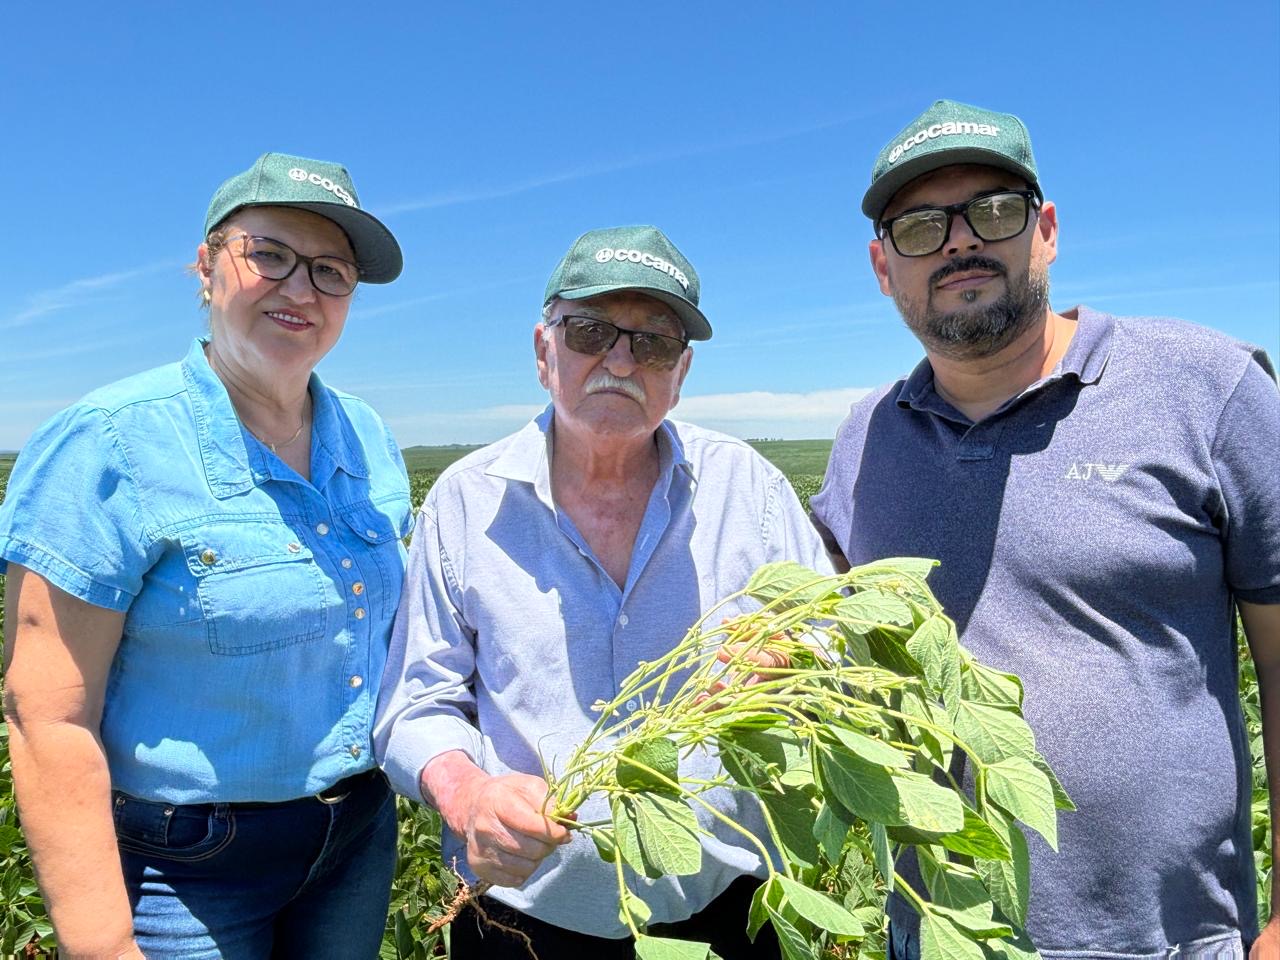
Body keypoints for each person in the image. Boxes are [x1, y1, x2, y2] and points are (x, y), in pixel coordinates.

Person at [810, 99, 1280, 959]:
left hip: (1174, 942)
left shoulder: (1207, 388)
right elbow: (832, 632)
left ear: (1047, 230)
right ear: (883, 267)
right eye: (919, 227)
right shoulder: (864, 440)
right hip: (943, 934)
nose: (958, 241)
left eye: (992, 210)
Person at [374, 224, 831, 958]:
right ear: (543, 351)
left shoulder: (748, 488)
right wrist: (467, 793)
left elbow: (829, 633)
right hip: (521, 914)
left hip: (725, 906)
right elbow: (416, 702)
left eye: (653, 343)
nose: (620, 360)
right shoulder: (465, 502)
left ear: (681, 372)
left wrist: (791, 660)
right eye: (590, 331)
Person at [0, 152, 411, 959]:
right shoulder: (110, 441)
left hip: (357, 837)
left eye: (330, 271)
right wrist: (102, 944)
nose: (301, 288)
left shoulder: (368, 434)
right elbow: (47, 713)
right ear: (207, 265)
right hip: (188, 867)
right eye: (270, 255)